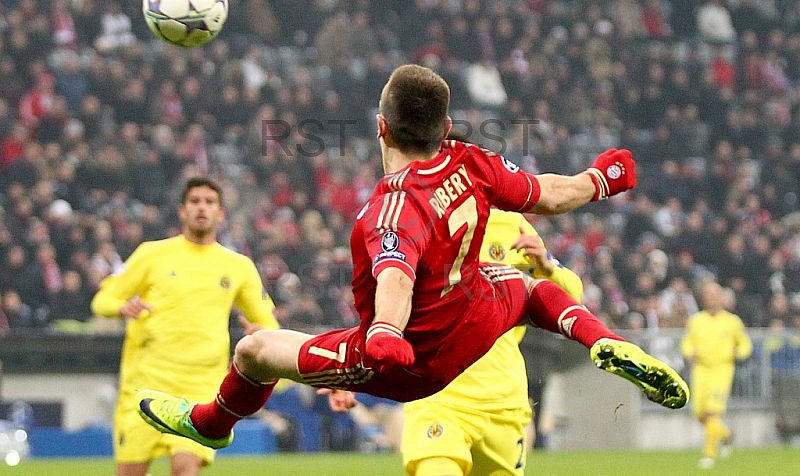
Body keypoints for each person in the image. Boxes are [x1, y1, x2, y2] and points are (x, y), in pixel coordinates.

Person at [135, 64, 688, 450]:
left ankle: (212, 423)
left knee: (254, 351)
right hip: (472, 318)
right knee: (526, 287)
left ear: (381, 127)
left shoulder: (393, 206)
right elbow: (551, 194)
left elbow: (395, 273)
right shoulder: (472, 162)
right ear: (445, 128)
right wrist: (603, 178)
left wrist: (385, 333)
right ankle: (601, 338)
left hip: (409, 361)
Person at [91, 177, 279, 476]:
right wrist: (120, 307)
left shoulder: (238, 266)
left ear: (221, 213)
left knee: (185, 467)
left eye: (209, 202)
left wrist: (262, 335)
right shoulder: (151, 254)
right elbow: (102, 300)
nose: (201, 208)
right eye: (194, 201)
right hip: (144, 384)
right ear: (182, 211)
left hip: (201, 386)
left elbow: (268, 321)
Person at [401, 209, 583, 476]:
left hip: (503, 401)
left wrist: (547, 267)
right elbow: (384, 300)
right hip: (438, 397)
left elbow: (571, 300)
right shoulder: (416, 221)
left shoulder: (512, 225)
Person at [681, 281, 752, 469]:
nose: (711, 299)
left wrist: (739, 352)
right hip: (701, 370)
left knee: (713, 411)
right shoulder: (696, 320)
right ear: (703, 298)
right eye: (708, 295)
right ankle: (726, 435)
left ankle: (709, 454)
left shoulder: (732, 321)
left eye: (715, 295)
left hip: (722, 370)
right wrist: (690, 352)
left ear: (721, 298)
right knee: (700, 414)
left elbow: (745, 344)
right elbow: (688, 342)